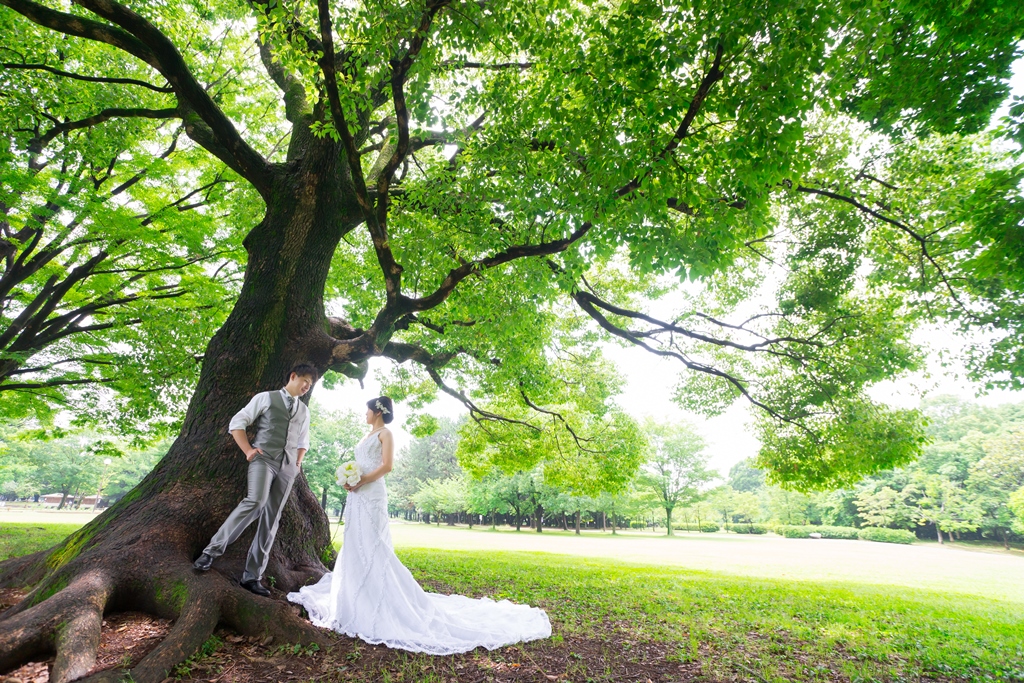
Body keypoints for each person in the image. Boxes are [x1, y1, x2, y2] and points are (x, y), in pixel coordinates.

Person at [287, 396, 551, 655]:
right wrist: (351, 479)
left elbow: (387, 466)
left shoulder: (385, 434)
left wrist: (362, 480)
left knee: (374, 543)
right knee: (357, 542)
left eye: (367, 410)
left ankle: (380, 596)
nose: (364, 414)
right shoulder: (366, 436)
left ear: (377, 412)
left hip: (372, 493)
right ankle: (357, 592)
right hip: (357, 495)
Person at [192, 363, 317, 597]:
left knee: (272, 518)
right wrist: (248, 450)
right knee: (255, 502)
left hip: (288, 467)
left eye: (310, 385)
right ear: (293, 376)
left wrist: (297, 463)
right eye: (305, 382)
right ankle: (211, 552)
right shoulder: (266, 398)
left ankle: (252, 577)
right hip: (264, 459)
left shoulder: (304, 410)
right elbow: (237, 423)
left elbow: (303, 441)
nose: (306, 387)